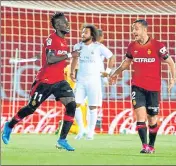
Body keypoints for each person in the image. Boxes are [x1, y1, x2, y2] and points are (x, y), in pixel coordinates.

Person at [2, 12, 80, 151]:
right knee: (31, 108)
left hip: (59, 81)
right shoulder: (52, 38)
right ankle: (10, 125)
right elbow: (50, 59)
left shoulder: (63, 40)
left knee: (71, 105)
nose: (67, 24)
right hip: (44, 81)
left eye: (67, 21)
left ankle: (62, 140)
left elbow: (51, 56)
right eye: (63, 22)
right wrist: (70, 55)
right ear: (56, 25)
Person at [109, 19, 176, 153]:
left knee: (152, 118)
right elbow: (126, 63)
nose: (133, 31)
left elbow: (171, 62)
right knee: (140, 116)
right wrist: (116, 73)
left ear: (145, 30)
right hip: (137, 87)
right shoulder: (132, 46)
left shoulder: (158, 45)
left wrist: (173, 78)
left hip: (154, 88)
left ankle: (151, 145)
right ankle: (144, 145)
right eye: (133, 29)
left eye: (136, 29)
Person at [70, 24, 115, 140]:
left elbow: (112, 57)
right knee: (75, 104)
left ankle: (90, 132)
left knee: (92, 107)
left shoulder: (99, 47)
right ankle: (81, 129)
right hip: (80, 80)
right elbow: (74, 58)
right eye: (82, 32)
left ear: (91, 35)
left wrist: (108, 71)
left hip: (94, 81)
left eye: (85, 32)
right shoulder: (77, 46)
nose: (83, 34)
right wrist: (72, 72)